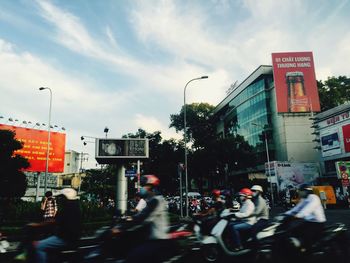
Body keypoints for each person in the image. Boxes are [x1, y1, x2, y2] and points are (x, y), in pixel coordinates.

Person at [120, 175, 175, 263]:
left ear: (152, 188)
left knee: (133, 257)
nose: (142, 188)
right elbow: (140, 214)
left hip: (157, 240)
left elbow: (145, 217)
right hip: (148, 237)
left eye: (145, 186)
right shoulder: (150, 200)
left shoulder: (156, 200)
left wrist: (126, 224)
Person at [35, 188, 82, 263]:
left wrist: (37, 225)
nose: (59, 199)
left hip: (65, 238)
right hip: (68, 237)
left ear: (65, 198)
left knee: (39, 247)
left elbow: (56, 220)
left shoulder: (68, 208)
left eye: (61, 197)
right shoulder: (74, 206)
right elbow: (43, 209)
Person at [284, 183, 326, 249]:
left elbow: (307, 209)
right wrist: (286, 214)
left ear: (306, 191)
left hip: (317, 223)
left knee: (306, 237)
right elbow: (296, 208)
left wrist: (298, 215)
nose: (299, 193)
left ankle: (309, 252)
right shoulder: (304, 199)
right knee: (293, 230)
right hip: (308, 222)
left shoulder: (314, 198)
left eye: (300, 191)